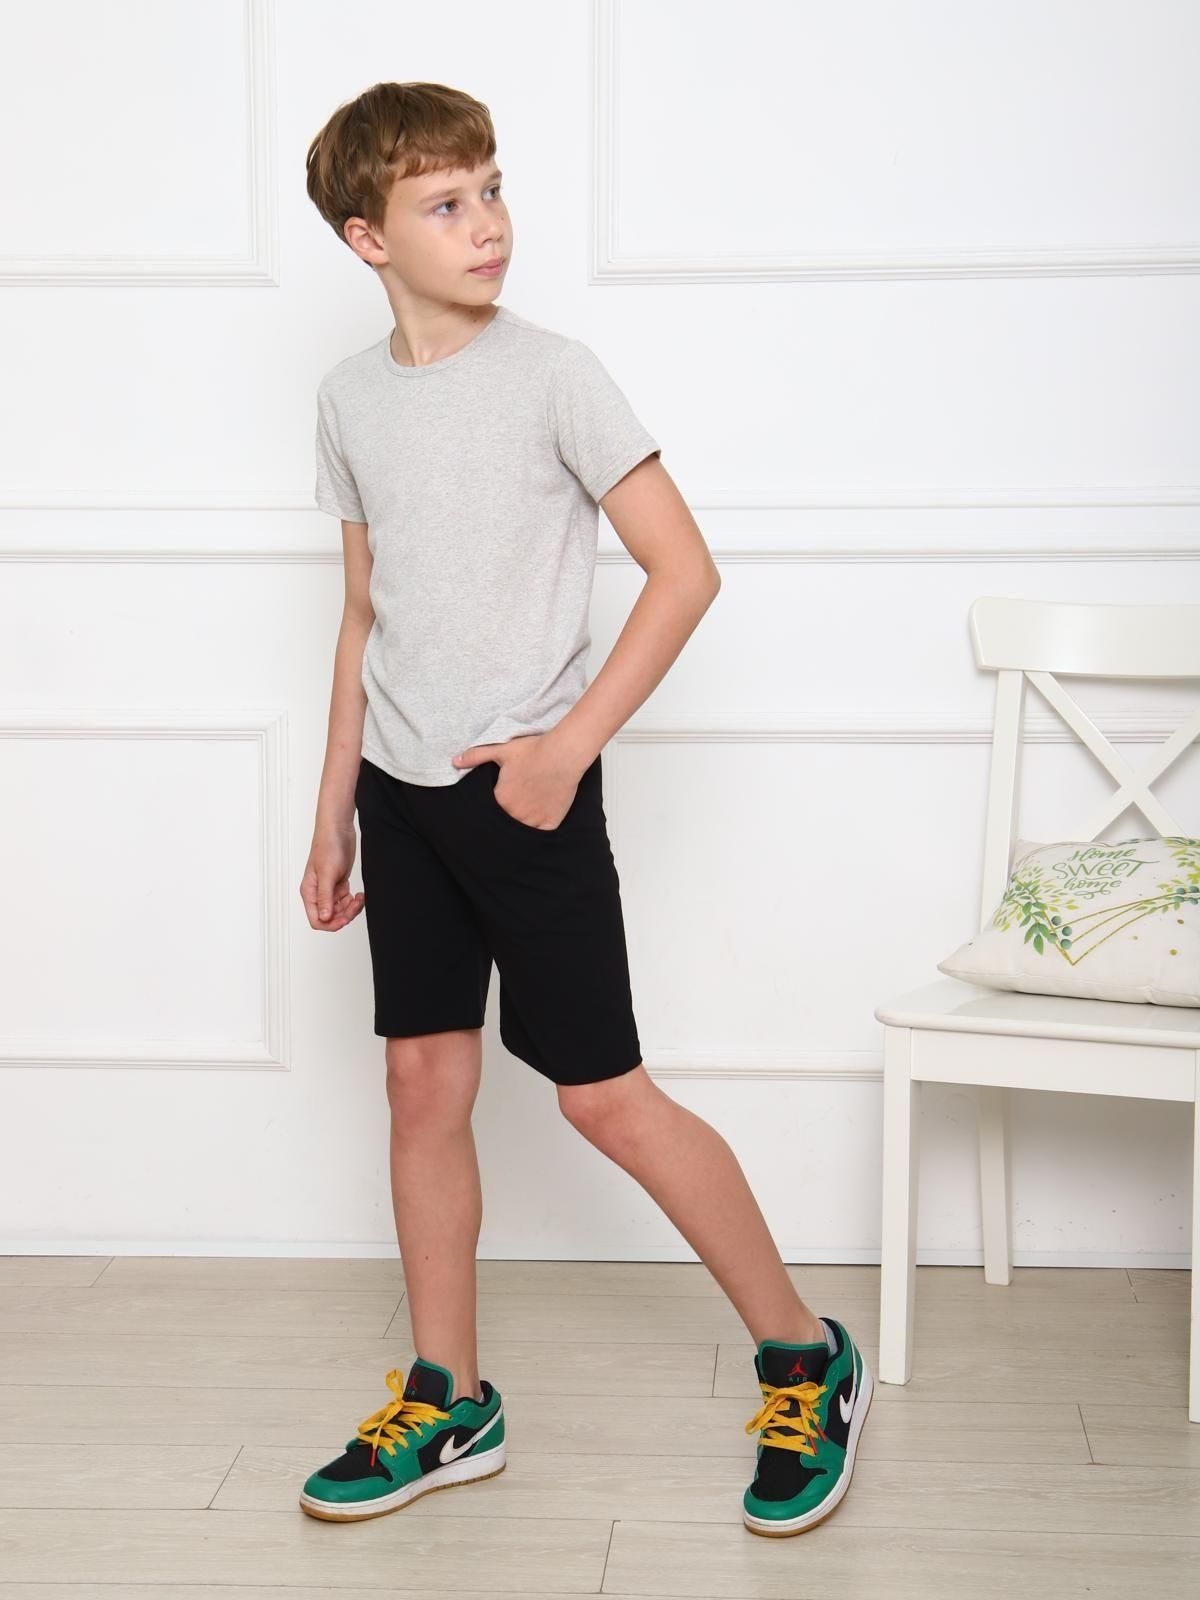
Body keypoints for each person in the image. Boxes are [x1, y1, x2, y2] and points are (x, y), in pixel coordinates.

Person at [295, 79, 872, 1538]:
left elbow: (686, 571)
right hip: (400, 796)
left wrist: (564, 750)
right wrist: (334, 806)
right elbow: (364, 609)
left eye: (492, 189)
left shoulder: (558, 374)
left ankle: (805, 1355)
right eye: (447, 203)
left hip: (525, 798)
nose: (487, 223)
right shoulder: (350, 399)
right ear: (369, 237)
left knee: (603, 1094)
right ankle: (449, 1397)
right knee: (422, 1085)